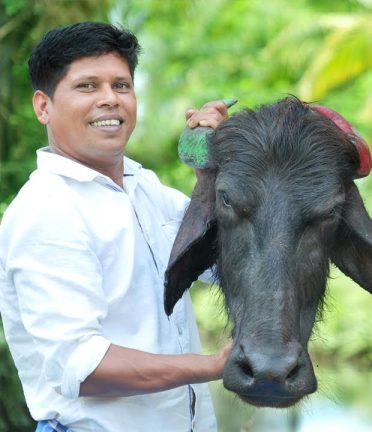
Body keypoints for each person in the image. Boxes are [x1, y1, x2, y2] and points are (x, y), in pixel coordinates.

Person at [0, 22, 232, 431]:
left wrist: (209, 176)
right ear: (43, 106)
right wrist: (212, 365)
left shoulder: (146, 189)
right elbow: (83, 367)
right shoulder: (46, 210)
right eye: (87, 86)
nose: (109, 100)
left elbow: (221, 263)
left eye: (121, 85)